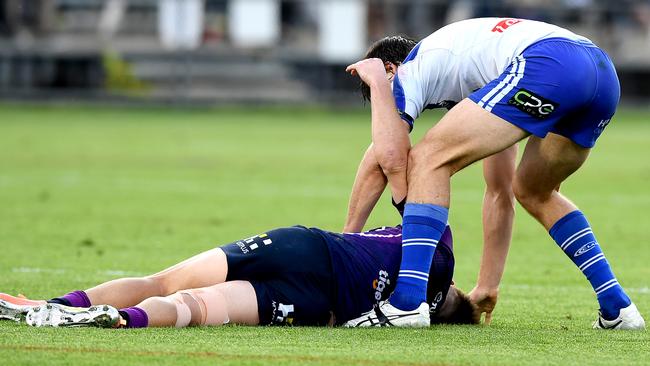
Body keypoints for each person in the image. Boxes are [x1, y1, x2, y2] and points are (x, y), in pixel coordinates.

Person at [344, 17, 645, 329]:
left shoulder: (412, 67)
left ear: (391, 67)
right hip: (600, 74)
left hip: (551, 63)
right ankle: (617, 307)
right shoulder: (479, 78)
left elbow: (388, 156)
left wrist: (347, 242)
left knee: (428, 158)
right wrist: (487, 284)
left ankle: (407, 303)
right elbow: (499, 189)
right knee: (534, 190)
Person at [0, 215, 478, 328]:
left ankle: (56, 305)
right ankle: (126, 320)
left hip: (306, 247)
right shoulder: (404, 313)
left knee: (165, 280)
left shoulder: (440, 244)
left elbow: (393, 163)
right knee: (197, 307)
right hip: (316, 304)